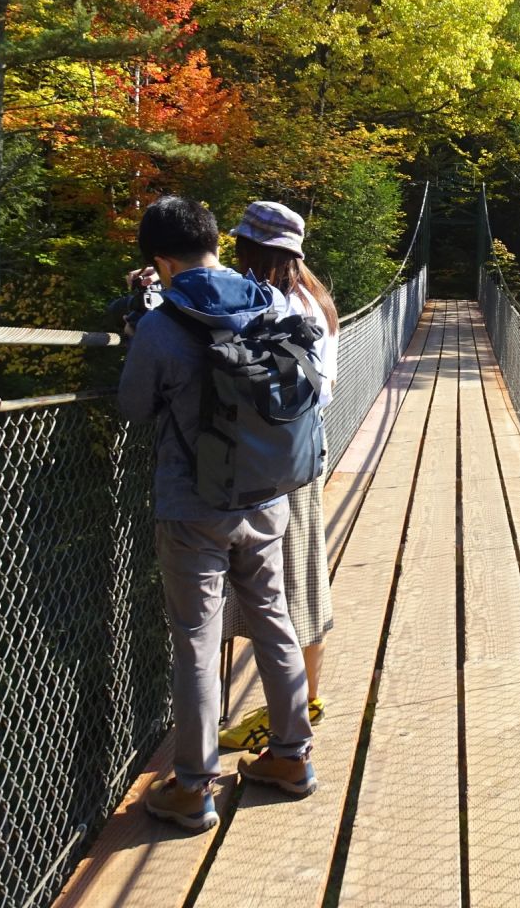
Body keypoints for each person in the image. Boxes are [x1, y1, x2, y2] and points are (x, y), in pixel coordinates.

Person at [116, 195, 317, 832]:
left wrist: (136, 327)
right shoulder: (271, 303)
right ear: (216, 243)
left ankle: (193, 786)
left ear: (161, 261)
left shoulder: (162, 325)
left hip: (192, 507)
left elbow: (133, 408)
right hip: (267, 495)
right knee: (274, 622)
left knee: (197, 643)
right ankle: (291, 758)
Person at [218, 201, 338, 741]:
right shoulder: (315, 300)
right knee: (301, 574)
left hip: (263, 459)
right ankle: (305, 699)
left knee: (277, 582)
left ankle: (292, 712)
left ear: (250, 248)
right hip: (303, 452)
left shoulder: (264, 302)